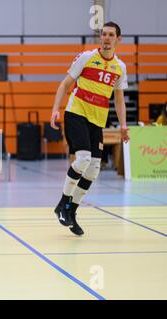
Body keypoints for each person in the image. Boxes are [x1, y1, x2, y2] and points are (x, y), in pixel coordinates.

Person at [50, 21, 130, 236]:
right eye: (103, 34)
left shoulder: (120, 67)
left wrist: (123, 125)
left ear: (118, 39)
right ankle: (64, 202)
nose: (106, 38)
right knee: (83, 159)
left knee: (94, 169)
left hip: (98, 120)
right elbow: (65, 84)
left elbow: (119, 100)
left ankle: (70, 211)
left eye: (111, 35)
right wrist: (55, 109)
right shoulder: (86, 57)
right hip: (76, 113)